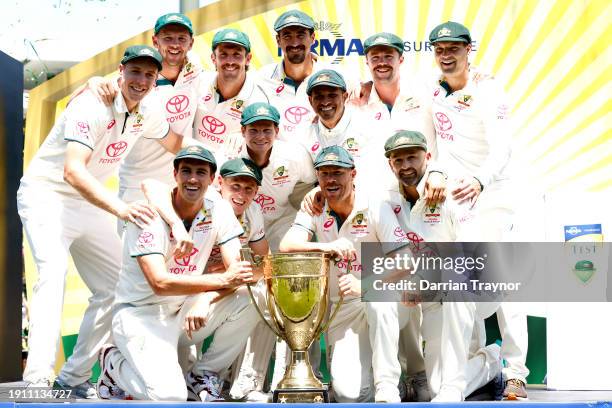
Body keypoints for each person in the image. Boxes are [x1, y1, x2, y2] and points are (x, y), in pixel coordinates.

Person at [18, 46, 193, 397]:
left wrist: (225, 156)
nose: (141, 80)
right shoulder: (92, 104)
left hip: (88, 202)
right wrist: (120, 208)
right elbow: (72, 171)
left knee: (116, 286)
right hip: (47, 195)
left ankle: (74, 377)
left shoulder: (149, 109)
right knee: (53, 276)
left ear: (156, 78)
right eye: (135, 72)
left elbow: (176, 143)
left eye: (149, 74)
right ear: (121, 71)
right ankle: (37, 379)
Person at [96, 146, 258, 401]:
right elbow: (160, 283)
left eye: (200, 172)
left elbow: (238, 272)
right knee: (170, 398)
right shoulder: (147, 215)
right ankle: (114, 365)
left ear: (212, 180)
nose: (193, 179)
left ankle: (202, 375)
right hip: (141, 314)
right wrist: (222, 280)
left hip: (185, 310)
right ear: (175, 174)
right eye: (186, 171)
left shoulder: (220, 209)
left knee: (252, 296)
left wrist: (206, 297)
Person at [428, 21, 528, 400]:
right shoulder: (433, 92)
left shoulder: (488, 87)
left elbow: (502, 147)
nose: (447, 54)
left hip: (492, 196)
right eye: (441, 49)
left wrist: (481, 181)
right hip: (455, 203)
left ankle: (515, 371)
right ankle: (480, 362)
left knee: (501, 280)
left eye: (455, 47)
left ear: (470, 50)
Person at [279, 146, 414, 403]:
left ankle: (387, 387)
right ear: (317, 178)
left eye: (338, 173)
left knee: (378, 299)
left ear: (353, 174)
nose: (331, 179)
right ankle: (390, 383)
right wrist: (327, 246)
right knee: (349, 395)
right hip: (345, 306)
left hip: (386, 295)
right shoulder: (315, 206)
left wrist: (363, 285)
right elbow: (287, 245)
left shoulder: (375, 206)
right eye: (325, 173)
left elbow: (406, 262)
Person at [381, 130, 502, 402]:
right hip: (435, 290)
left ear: (428, 157)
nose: (405, 166)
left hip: (476, 281)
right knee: (435, 387)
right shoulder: (389, 200)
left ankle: (455, 386)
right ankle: (492, 360)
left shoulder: (453, 190)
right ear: (390, 164)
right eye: (398, 160)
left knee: (454, 273)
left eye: (412, 157)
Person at [229, 102, 317, 401]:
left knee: (282, 290)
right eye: (253, 129)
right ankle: (240, 378)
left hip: (279, 222)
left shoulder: (293, 155)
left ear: (277, 131)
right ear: (243, 131)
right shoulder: (229, 154)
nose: (261, 135)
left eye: (267, 129)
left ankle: (288, 374)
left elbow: (312, 181)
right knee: (250, 292)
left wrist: (310, 201)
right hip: (240, 222)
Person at [259, 10, 360, 141]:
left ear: (313, 38)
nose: (294, 43)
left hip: (326, 159)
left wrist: (367, 86)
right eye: (287, 36)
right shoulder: (261, 79)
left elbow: (369, 96)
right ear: (278, 40)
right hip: (280, 160)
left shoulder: (341, 76)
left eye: (301, 35)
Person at [194, 28, 269, 157]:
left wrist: (246, 137)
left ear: (248, 58)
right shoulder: (198, 83)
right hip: (196, 169)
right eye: (223, 54)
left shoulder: (258, 100)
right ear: (213, 58)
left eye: (237, 54)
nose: (230, 61)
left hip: (233, 173)